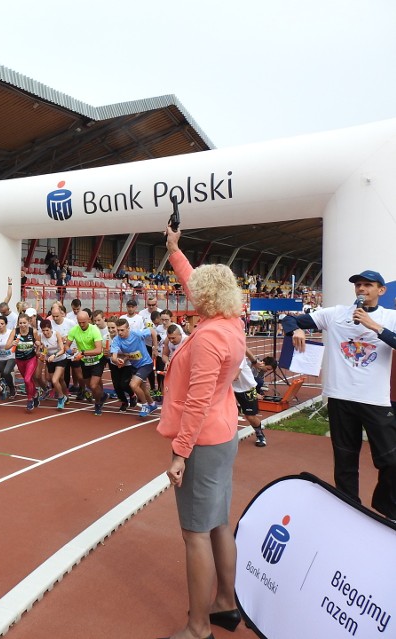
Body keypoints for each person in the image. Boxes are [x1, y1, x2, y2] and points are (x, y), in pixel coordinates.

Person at [156, 224, 246, 639]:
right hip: (224, 432)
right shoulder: (232, 322)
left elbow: (197, 401)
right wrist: (175, 250)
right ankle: (225, 604)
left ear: (205, 298)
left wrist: (179, 453)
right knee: (218, 524)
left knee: (195, 534)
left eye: (196, 291)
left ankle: (197, 628)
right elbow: (194, 279)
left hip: (203, 440)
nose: (190, 292)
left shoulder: (209, 337)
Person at [281, 269, 396, 520]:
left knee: (391, 460)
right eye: (358, 285)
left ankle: (387, 507)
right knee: (345, 460)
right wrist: (295, 331)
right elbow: (289, 319)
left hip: (375, 400)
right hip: (340, 397)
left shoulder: (391, 317)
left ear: (381, 290)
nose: (362, 289)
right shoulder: (335, 314)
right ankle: (349, 510)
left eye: (368, 285)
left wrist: (374, 326)